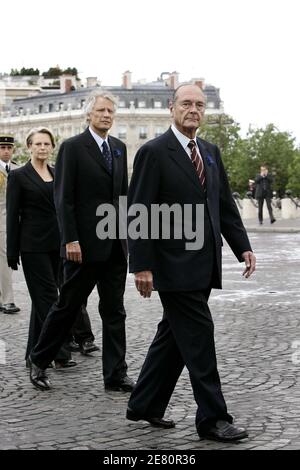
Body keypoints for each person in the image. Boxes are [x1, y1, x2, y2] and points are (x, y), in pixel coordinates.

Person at [126, 84, 256, 442]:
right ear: (172, 108)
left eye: (199, 105)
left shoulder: (210, 152)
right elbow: (139, 211)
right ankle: (213, 418)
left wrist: (241, 246)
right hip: (171, 266)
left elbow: (223, 205)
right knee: (199, 337)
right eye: (186, 103)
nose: (193, 109)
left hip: (204, 265)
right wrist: (141, 265)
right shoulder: (154, 152)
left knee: (173, 337)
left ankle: (144, 404)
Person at [28, 90, 134, 393]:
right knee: (68, 306)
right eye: (101, 110)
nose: (106, 116)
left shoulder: (119, 148)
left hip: (114, 245)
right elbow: (64, 199)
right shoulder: (72, 148)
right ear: (89, 114)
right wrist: (70, 240)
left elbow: (122, 198)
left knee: (115, 311)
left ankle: (115, 375)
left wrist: (127, 238)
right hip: (82, 248)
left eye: (111, 112)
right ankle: (39, 359)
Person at [6, 128, 75, 369]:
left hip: (57, 245)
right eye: (38, 144)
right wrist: (12, 251)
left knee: (40, 302)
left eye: (47, 144)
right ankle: (58, 352)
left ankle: (33, 353)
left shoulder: (57, 174)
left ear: (52, 147)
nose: (43, 148)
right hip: (32, 246)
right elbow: (13, 215)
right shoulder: (19, 175)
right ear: (30, 147)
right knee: (48, 298)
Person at [0, 135, 20, 314]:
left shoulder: (17, 169)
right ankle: (7, 300)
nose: (6, 151)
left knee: (6, 260)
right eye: (2, 148)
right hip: (2, 222)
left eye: (9, 148)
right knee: (5, 260)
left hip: (14, 222)